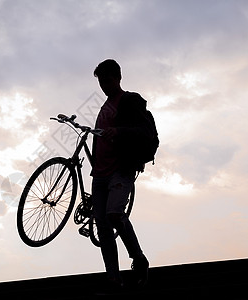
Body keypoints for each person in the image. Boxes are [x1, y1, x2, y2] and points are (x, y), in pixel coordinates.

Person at [91, 59, 151, 290]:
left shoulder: (129, 101)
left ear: (118, 77)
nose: (104, 86)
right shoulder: (104, 107)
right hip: (99, 174)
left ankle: (139, 259)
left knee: (115, 214)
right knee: (103, 227)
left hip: (121, 169)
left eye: (107, 80)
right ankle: (113, 278)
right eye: (100, 82)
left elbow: (143, 131)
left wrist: (118, 130)